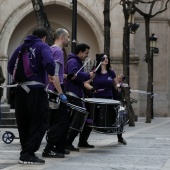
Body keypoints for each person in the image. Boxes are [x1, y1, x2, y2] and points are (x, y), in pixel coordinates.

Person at [7, 27, 56, 165]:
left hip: (20, 90)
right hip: (36, 90)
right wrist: (51, 73)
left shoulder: (21, 47)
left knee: (24, 122)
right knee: (40, 121)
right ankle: (28, 153)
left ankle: (25, 152)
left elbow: (10, 67)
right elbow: (49, 62)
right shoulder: (42, 46)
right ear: (44, 38)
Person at [84, 53, 127, 145]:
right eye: (104, 58)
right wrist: (92, 88)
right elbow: (86, 83)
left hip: (108, 97)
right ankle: (83, 140)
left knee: (116, 116)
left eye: (107, 58)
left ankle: (120, 137)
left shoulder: (111, 72)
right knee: (91, 118)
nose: (106, 59)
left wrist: (119, 86)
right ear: (100, 60)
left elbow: (116, 84)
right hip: (97, 98)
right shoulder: (95, 72)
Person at [42, 28, 70, 158]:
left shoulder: (50, 49)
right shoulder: (58, 51)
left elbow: (53, 73)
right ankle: (50, 148)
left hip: (50, 90)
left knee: (55, 121)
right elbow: (55, 75)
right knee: (61, 121)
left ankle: (59, 147)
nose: (69, 40)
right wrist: (60, 93)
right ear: (62, 37)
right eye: (68, 37)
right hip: (55, 92)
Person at [65, 43, 95, 151]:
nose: (87, 55)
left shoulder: (76, 62)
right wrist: (88, 75)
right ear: (80, 52)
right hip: (73, 93)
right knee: (79, 117)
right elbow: (73, 75)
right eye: (86, 53)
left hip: (76, 93)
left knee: (78, 118)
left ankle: (69, 142)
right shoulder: (73, 61)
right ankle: (68, 142)